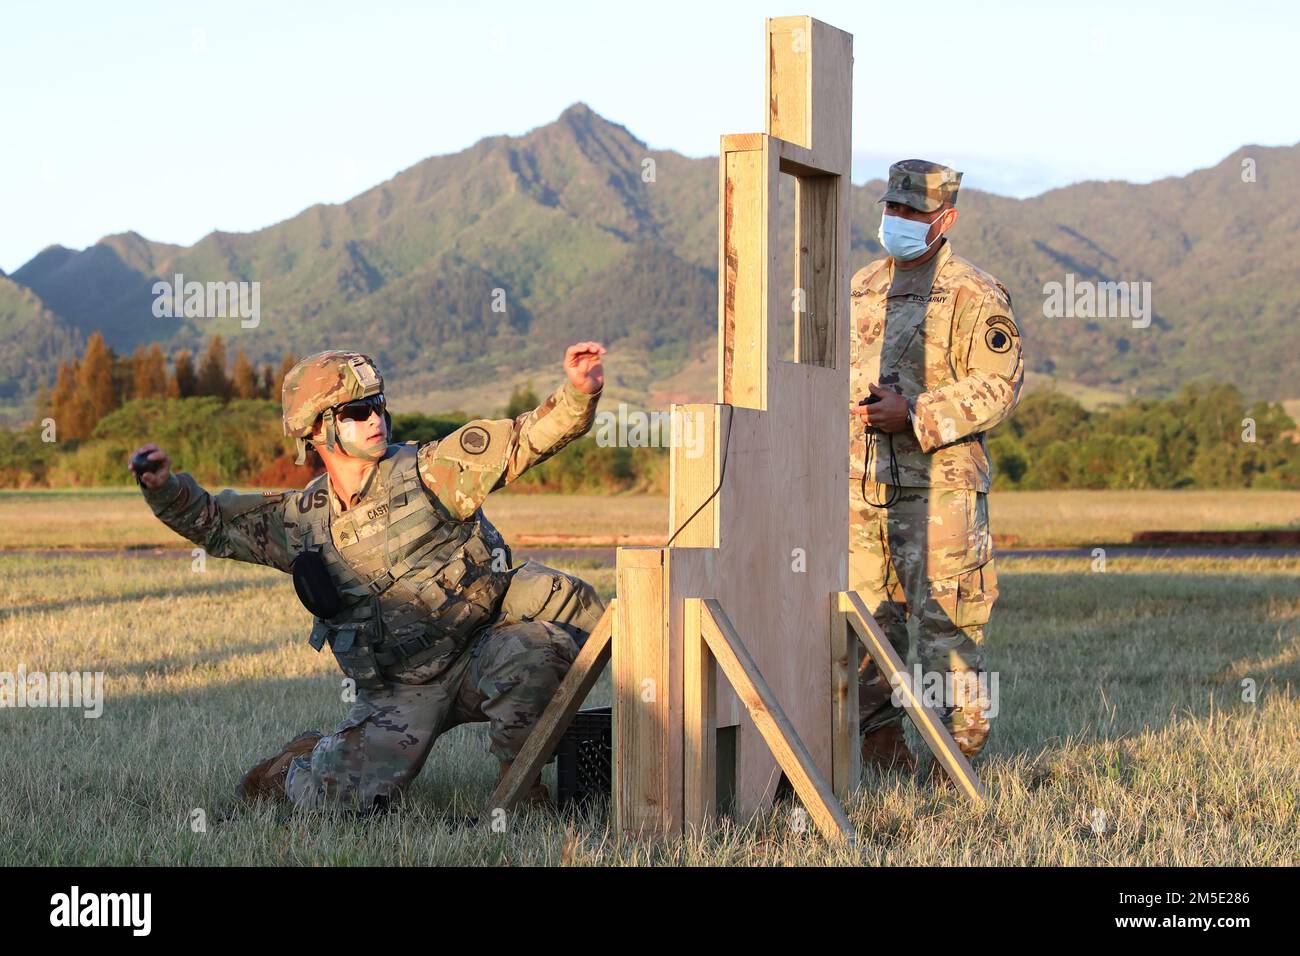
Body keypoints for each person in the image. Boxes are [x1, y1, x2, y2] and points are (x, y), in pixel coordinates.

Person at [131, 342, 608, 810]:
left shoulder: (432, 472)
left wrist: (577, 393)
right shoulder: (302, 522)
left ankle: (522, 793)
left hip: (482, 648)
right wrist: (165, 490)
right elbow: (215, 525)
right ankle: (299, 763)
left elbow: (524, 440)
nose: (375, 418)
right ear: (315, 428)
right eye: (356, 411)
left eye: (377, 405)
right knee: (337, 800)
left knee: (534, 651)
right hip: (401, 688)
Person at [849, 160, 1023, 774]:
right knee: (864, 630)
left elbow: (999, 388)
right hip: (862, 490)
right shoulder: (862, 286)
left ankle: (958, 771)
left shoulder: (976, 294)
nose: (897, 221)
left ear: (943, 219)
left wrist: (916, 413)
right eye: (891, 210)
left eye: (912, 213)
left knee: (948, 631)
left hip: (941, 490)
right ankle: (882, 755)